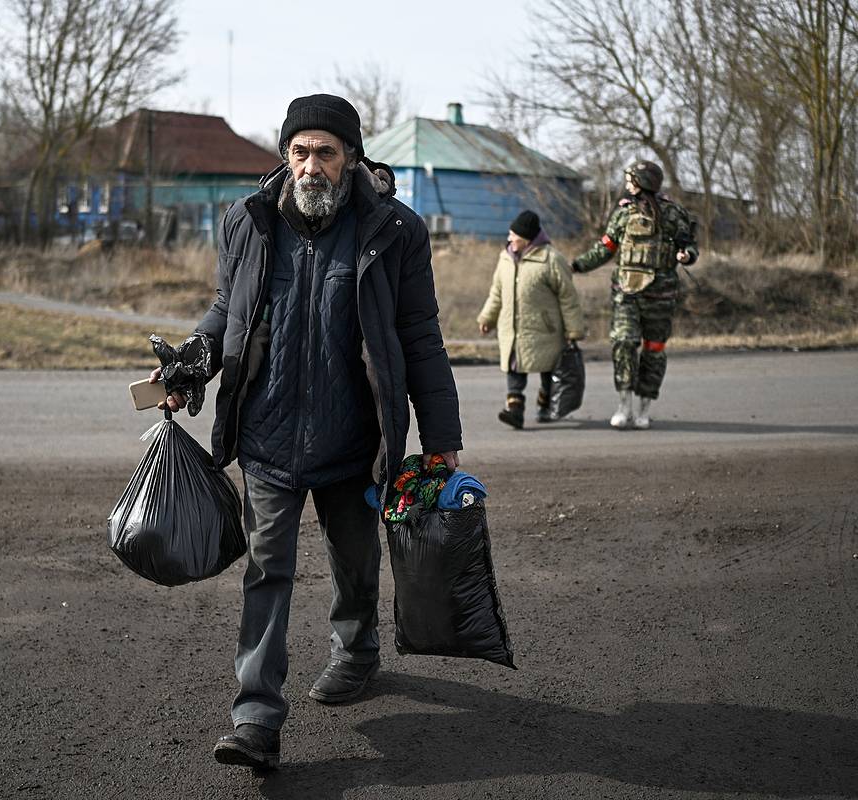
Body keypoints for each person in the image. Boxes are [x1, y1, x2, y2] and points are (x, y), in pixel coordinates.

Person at [148, 93, 462, 769]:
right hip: (266, 438)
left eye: (324, 151)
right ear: (285, 157)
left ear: (351, 156)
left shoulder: (395, 231)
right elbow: (224, 311)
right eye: (299, 152)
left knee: (356, 563)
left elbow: (420, 338)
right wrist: (192, 364)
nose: (310, 166)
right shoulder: (249, 221)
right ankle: (256, 717)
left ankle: (357, 651)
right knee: (267, 573)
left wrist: (442, 436)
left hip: (356, 442)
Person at [570, 160, 698, 429]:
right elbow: (605, 248)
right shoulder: (623, 214)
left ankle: (644, 408)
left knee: (654, 351)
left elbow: (690, 246)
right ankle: (623, 405)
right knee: (624, 343)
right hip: (626, 293)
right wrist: (577, 265)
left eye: (631, 179)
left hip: (661, 295)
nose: (628, 184)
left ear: (643, 181)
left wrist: (686, 255)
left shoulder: (673, 214)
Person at [477, 210, 585, 428]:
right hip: (513, 329)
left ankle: (544, 406)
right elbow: (497, 291)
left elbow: (568, 298)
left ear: (526, 239)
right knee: (514, 368)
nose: (509, 239)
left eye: (513, 235)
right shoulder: (505, 258)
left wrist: (573, 330)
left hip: (545, 330)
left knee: (547, 370)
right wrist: (487, 316)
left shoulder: (552, 259)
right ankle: (514, 410)